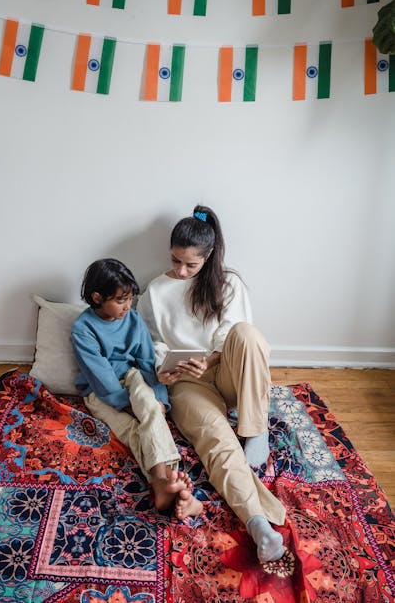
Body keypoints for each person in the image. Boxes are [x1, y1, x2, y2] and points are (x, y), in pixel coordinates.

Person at [137, 206, 286, 562]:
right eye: (176, 261)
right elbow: (154, 344)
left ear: (208, 256)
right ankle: (259, 526)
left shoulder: (228, 282)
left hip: (227, 373)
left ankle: (255, 426)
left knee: (247, 335)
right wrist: (163, 372)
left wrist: (211, 359)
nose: (181, 270)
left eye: (191, 264)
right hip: (188, 383)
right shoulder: (155, 291)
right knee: (217, 442)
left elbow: (232, 335)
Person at [71, 257, 203, 518]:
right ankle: (164, 482)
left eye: (130, 298)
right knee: (132, 429)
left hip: (134, 377)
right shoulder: (82, 329)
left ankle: (162, 483)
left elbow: (146, 363)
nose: (127, 306)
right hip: (98, 391)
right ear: (97, 297)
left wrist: (160, 400)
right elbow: (102, 379)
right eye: (120, 300)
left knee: (151, 408)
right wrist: (131, 408)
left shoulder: (133, 318)